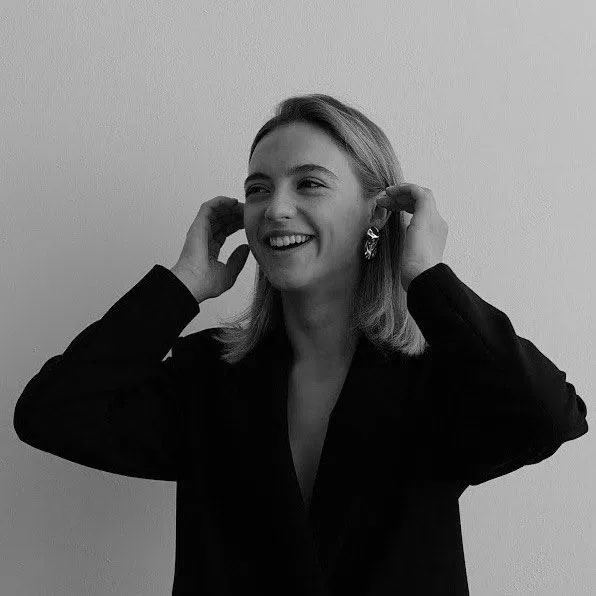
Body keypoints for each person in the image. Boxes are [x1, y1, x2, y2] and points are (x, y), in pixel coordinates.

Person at [13, 94, 589, 595]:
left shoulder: (436, 373)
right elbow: (51, 414)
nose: (275, 208)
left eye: (309, 183)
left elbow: (550, 416)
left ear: (377, 212)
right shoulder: (208, 374)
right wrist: (181, 285)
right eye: (257, 189)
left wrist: (427, 278)